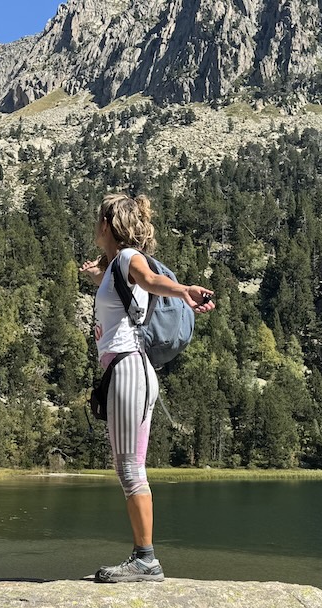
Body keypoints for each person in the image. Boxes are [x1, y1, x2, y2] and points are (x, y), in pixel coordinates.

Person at [80, 193, 214, 583]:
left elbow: (152, 280)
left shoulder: (127, 258)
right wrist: (98, 276)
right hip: (132, 371)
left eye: (96, 219)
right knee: (130, 467)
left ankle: (145, 559)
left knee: (129, 467)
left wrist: (182, 290)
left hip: (128, 370)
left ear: (107, 224)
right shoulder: (114, 266)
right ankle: (145, 557)